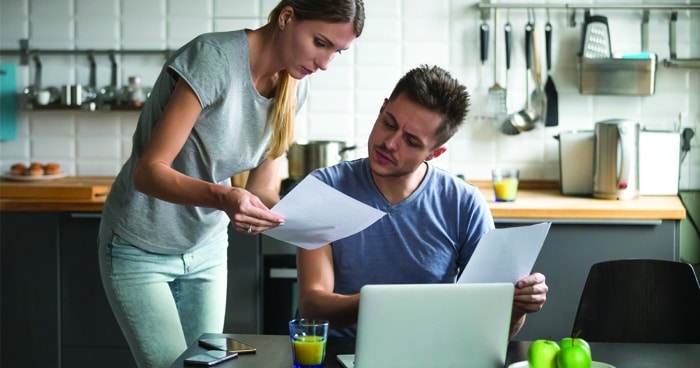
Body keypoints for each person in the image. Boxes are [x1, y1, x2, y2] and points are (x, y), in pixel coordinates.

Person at [97, 1, 365, 366]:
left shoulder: (294, 88)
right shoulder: (213, 59)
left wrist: (307, 219)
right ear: (287, 17)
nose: (325, 63)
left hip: (205, 247)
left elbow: (262, 188)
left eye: (338, 51)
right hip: (140, 245)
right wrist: (226, 197)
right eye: (321, 43)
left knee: (207, 365)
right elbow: (149, 171)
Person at [296, 64, 548, 339]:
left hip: (431, 353)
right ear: (382, 109)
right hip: (338, 354)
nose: (390, 143)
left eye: (412, 141)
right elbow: (312, 306)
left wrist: (517, 306)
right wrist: (388, 302)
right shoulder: (326, 189)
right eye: (389, 123)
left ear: (435, 153)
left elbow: (492, 328)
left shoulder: (465, 204)